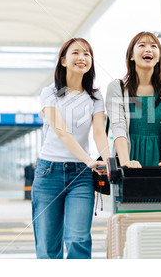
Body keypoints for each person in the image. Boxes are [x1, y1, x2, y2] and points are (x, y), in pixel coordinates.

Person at [32, 38, 109, 259]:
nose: (82, 57)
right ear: (63, 61)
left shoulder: (94, 97)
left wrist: (107, 161)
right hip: (48, 173)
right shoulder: (50, 93)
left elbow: (99, 133)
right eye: (76, 53)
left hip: (81, 177)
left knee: (78, 239)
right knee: (48, 247)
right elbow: (61, 132)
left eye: (87, 53)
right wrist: (89, 160)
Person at [106, 31, 161, 168]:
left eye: (154, 46)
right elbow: (118, 127)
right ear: (131, 56)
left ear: (158, 57)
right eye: (142, 45)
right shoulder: (117, 87)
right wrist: (125, 162)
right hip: (128, 157)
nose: (148, 49)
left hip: (160, 161)